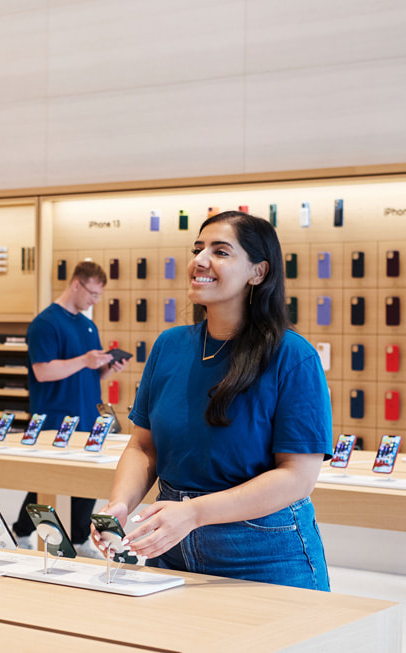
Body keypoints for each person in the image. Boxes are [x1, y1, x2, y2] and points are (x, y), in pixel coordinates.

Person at [92, 211, 331, 590]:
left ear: (258, 272)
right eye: (197, 249)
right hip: (171, 542)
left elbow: (297, 477)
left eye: (220, 252)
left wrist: (194, 513)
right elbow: (143, 446)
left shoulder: (292, 356)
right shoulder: (169, 346)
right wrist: (121, 503)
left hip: (263, 551)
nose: (200, 261)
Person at [12, 261, 127, 553]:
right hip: (57, 417)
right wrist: (84, 360)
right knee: (49, 482)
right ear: (77, 284)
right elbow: (42, 371)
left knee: (85, 480)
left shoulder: (88, 325)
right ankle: (22, 531)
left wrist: (107, 367)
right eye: (93, 293)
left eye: (99, 296)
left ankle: (78, 538)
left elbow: (89, 373)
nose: (95, 300)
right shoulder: (45, 323)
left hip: (87, 415)